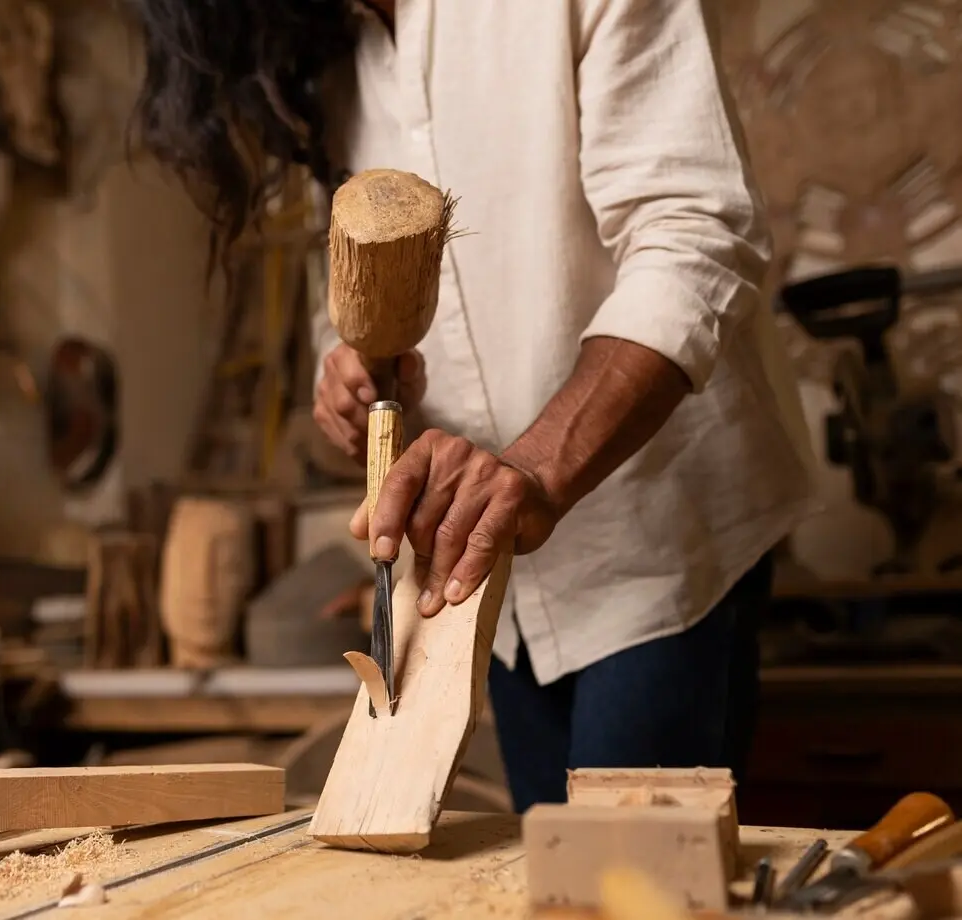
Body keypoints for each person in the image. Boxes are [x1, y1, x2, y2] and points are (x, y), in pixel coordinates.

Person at [128, 0, 819, 811]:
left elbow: (696, 236)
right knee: (547, 875)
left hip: (659, 551)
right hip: (493, 589)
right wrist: (350, 363)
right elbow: (354, 283)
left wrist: (533, 468)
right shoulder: (315, 51)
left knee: (636, 882)